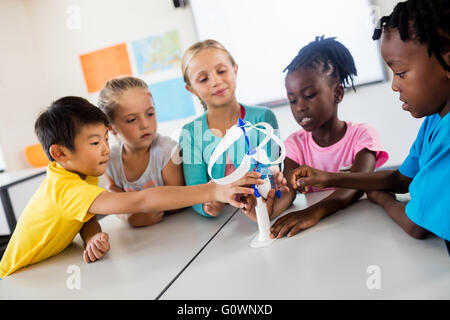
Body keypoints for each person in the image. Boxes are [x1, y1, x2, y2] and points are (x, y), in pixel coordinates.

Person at [0, 97, 262, 278]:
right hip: (15, 277)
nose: (105, 150)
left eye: (105, 138)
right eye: (94, 143)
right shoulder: (67, 187)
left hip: (47, 268)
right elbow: (140, 201)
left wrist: (91, 235)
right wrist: (213, 189)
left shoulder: (75, 172)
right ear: (60, 152)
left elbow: (82, 215)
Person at [289, 0, 449, 250]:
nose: (394, 86)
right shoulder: (434, 120)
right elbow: (401, 178)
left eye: (401, 73)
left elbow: (416, 225)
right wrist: (329, 178)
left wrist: (381, 199)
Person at [269, 36, 389, 238]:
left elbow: (358, 184)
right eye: (292, 100)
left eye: (309, 95)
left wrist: (313, 213)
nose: (299, 107)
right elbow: (288, 192)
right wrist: (264, 209)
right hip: (321, 233)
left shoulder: (362, 135)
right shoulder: (294, 145)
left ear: (338, 94)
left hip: (363, 228)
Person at [179, 39, 283, 219]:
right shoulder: (190, 132)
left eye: (221, 71)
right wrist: (211, 204)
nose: (216, 81)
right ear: (192, 89)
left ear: (235, 69)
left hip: (263, 212)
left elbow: (270, 171)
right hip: (221, 225)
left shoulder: (263, 118)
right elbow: (195, 190)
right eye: (203, 79)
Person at [98, 76, 184, 227]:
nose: (145, 124)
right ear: (111, 127)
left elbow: (176, 204)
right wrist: (129, 218)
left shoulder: (168, 152)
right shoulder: (109, 161)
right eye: (132, 120)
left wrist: (131, 209)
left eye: (150, 114)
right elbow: (114, 202)